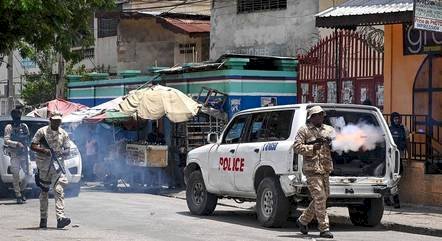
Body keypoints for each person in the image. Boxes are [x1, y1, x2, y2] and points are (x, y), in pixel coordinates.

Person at [293, 106, 335, 239]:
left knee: (323, 196)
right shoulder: (304, 130)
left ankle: (303, 220)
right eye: (317, 115)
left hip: (325, 168)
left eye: (322, 115)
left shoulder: (329, 129)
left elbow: (337, 144)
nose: (320, 117)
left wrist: (331, 143)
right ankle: (324, 228)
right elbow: (296, 147)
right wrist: (312, 147)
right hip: (312, 170)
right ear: (311, 117)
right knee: (320, 197)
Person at [31, 111, 71, 229]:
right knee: (44, 192)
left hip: (57, 166)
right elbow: (33, 145)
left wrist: (60, 153)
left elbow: (67, 150)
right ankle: (43, 218)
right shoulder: (42, 132)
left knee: (58, 190)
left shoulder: (63, 134)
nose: (57, 122)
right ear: (50, 119)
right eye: (55, 120)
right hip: (43, 166)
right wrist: (44, 150)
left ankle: (60, 218)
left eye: (58, 120)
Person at [4, 108, 30, 204]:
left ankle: (22, 190)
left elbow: (28, 137)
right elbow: (7, 140)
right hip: (14, 153)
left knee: (29, 174)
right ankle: (18, 194)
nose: (17, 118)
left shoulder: (24, 126)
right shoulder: (9, 127)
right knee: (16, 175)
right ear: (13, 117)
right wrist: (16, 143)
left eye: (19, 116)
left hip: (24, 153)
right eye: (16, 116)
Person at [387, 112, 411, 209]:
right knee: (393, 178)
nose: (397, 120)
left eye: (398, 118)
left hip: (399, 157)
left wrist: (410, 155)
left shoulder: (404, 129)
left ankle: (388, 197)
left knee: (396, 177)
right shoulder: (388, 129)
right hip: (389, 157)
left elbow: (407, 142)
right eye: (395, 119)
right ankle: (395, 201)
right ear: (392, 119)